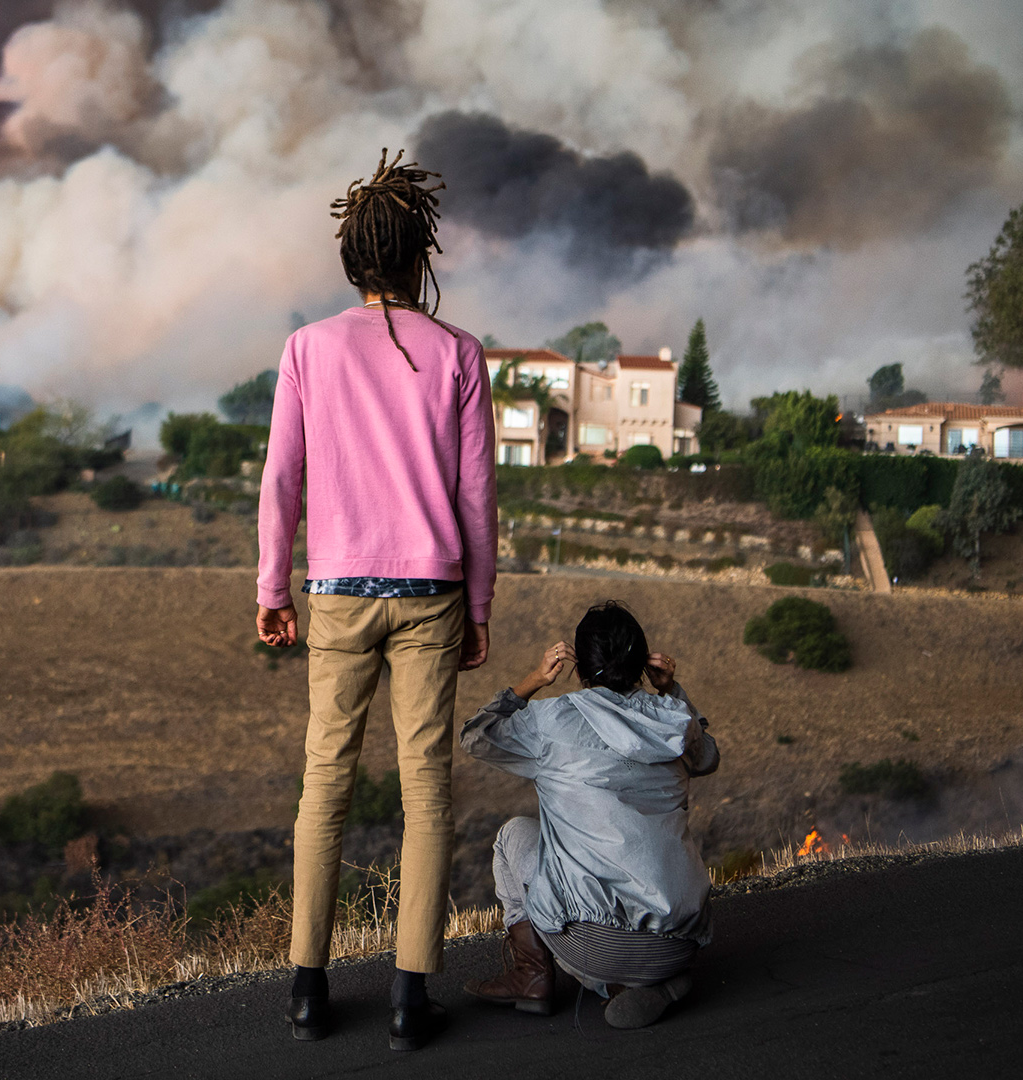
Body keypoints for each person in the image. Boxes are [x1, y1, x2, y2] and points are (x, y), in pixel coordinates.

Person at [256, 149, 497, 1052]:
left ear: (354, 258)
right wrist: (478, 605)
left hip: (340, 596)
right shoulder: (460, 354)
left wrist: (272, 585)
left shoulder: (306, 349)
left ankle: (309, 994)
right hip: (432, 594)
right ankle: (407, 1001)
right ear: (417, 256)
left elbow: (283, 477)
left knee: (326, 783)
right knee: (425, 792)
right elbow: (476, 496)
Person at [461, 601, 719, 1030]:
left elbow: (475, 737)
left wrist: (533, 682)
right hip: (682, 939)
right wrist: (671, 691)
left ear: (578, 664)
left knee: (511, 837)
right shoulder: (676, 720)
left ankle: (536, 979)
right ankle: (654, 983)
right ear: (643, 663)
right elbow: (707, 756)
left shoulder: (552, 720)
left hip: (597, 942)